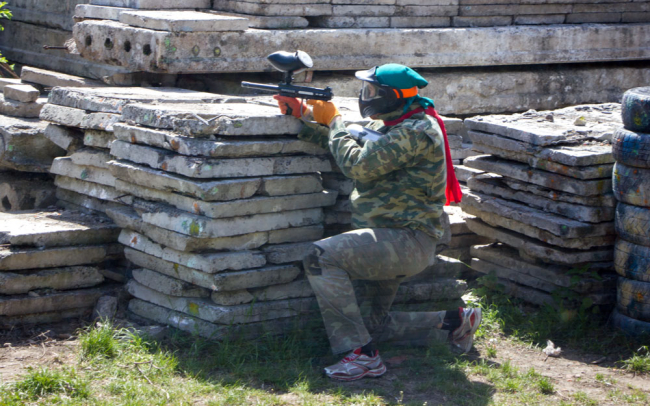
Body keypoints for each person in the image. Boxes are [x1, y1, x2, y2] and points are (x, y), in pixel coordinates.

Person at [274, 63, 481, 381]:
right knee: (369, 326)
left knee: (320, 256)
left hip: (404, 242)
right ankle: (454, 322)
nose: (365, 96)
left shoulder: (415, 131)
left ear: (392, 95)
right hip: (391, 239)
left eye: (371, 90)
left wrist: (335, 119)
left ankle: (361, 356)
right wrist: (304, 117)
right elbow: (351, 145)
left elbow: (358, 164)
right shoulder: (397, 123)